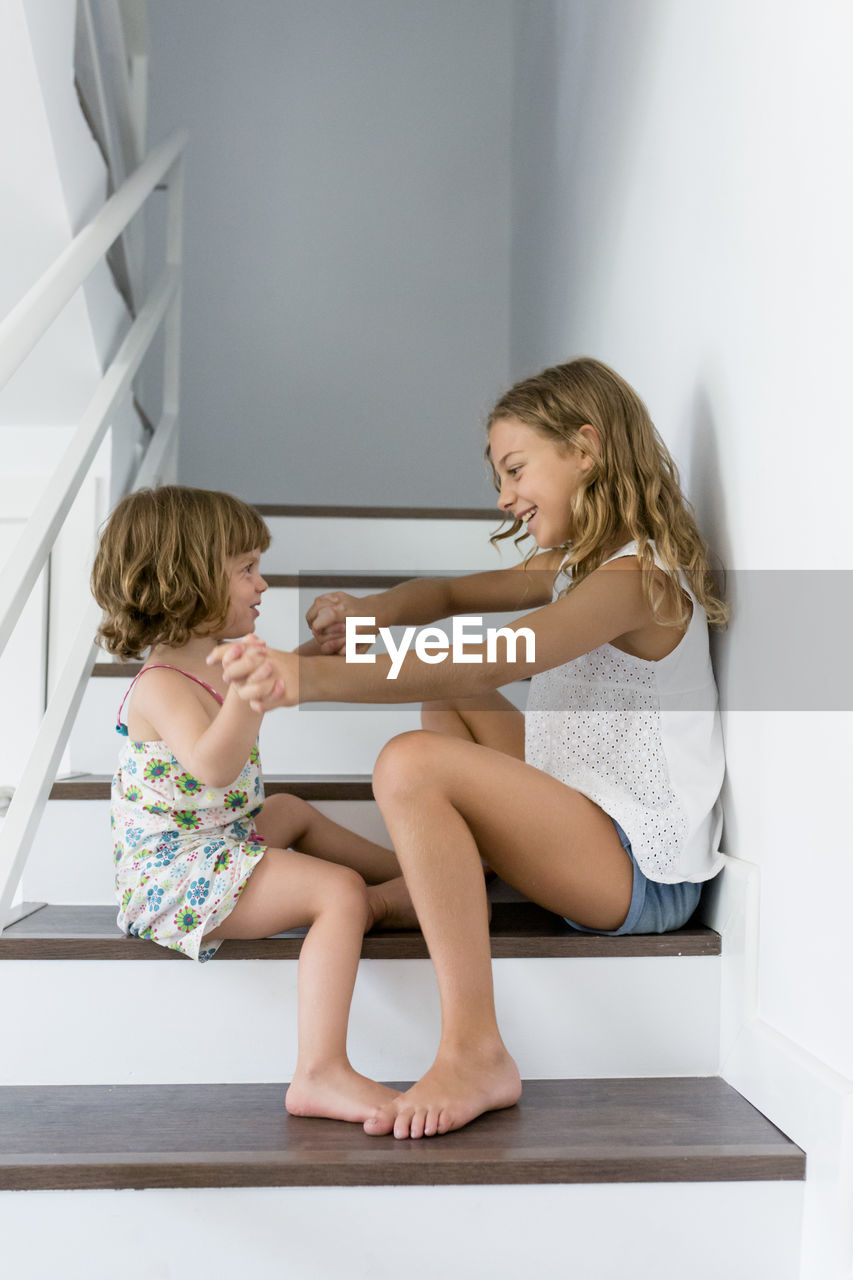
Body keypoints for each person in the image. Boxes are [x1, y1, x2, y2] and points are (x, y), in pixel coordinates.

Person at [210, 357, 729, 1141]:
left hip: (638, 872)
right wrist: (368, 615)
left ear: (585, 449)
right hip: (586, 815)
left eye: (515, 469)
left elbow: (494, 657)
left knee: (411, 760)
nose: (502, 497)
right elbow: (448, 598)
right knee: (444, 703)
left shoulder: (635, 582)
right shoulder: (575, 567)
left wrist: (311, 681)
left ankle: (474, 1050)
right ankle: (431, 885)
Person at [90, 485, 415, 1124]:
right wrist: (246, 696)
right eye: (246, 568)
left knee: (290, 809)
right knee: (338, 893)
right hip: (174, 878)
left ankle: (414, 871)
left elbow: (272, 679)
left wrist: (319, 655)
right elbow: (214, 766)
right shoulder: (160, 684)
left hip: (219, 838)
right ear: (188, 578)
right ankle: (320, 1072)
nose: (261, 584)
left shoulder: (218, 661)